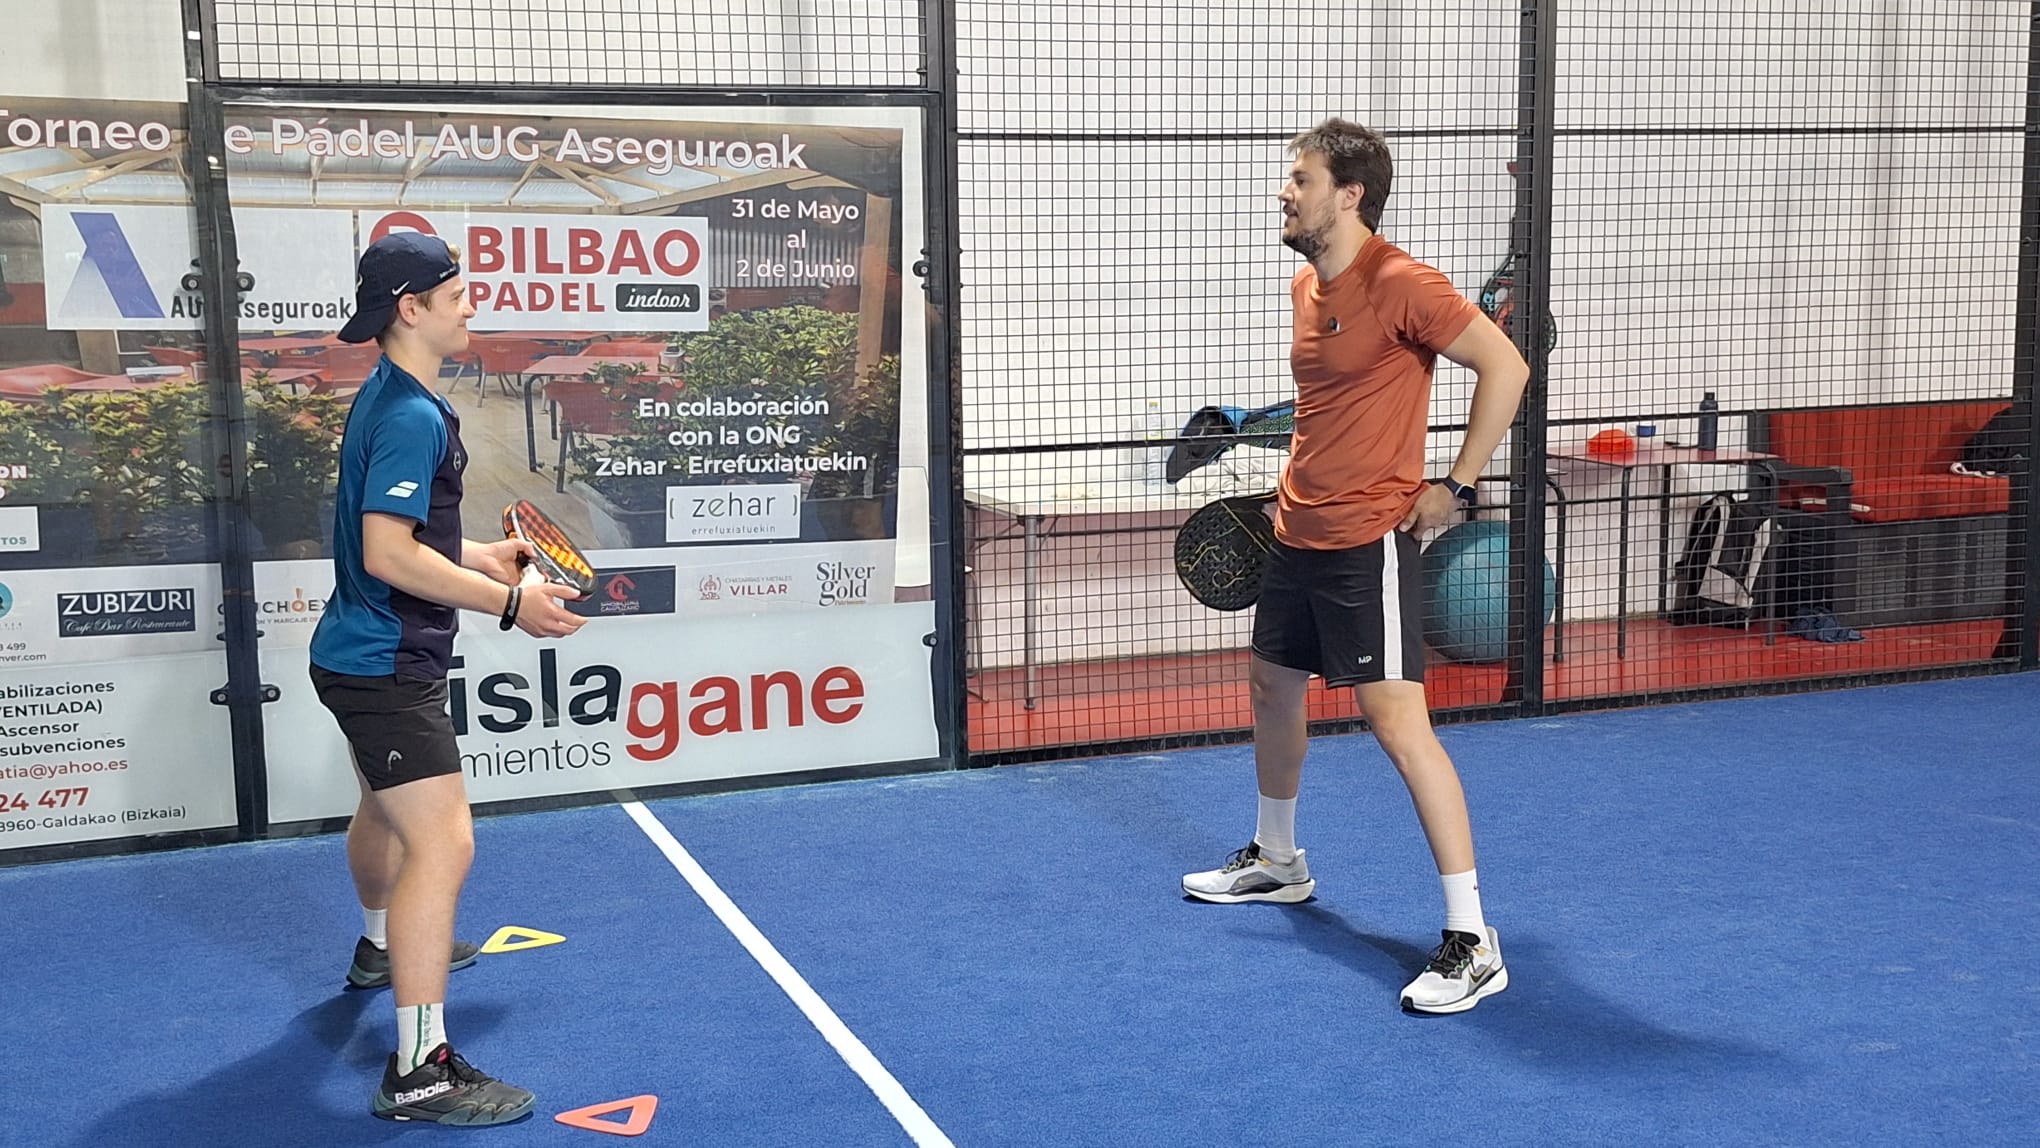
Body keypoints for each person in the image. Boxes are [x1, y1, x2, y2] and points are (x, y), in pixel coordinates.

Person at [1181, 119, 1530, 1015]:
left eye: (1300, 179)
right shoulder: (1308, 285)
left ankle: (1471, 938)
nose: (1284, 191)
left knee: (1398, 725)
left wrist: (1455, 483)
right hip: (1298, 531)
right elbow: (1328, 408)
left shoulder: (1402, 282)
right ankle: (1278, 859)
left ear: (1350, 194)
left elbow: (1506, 368)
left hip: (1366, 541)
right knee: (1272, 687)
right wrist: (1286, 490)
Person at [309, 231, 587, 1123]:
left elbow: (404, 533)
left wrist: (479, 556)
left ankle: (379, 949)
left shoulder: (393, 396)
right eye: (458, 294)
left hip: (358, 654)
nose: (472, 305)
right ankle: (420, 1071)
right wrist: (509, 603)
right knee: (443, 844)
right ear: (411, 308)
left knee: (384, 809)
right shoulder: (410, 415)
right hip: (385, 665)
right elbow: (387, 555)